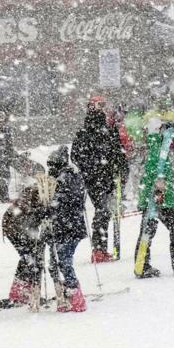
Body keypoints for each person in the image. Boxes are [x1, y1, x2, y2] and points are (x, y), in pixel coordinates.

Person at [135, 118, 174, 278]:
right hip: (156, 198)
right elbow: (156, 174)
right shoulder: (160, 149)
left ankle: (141, 265)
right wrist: (159, 191)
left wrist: (172, 195)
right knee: (173, 227)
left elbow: (162, 175)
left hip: (157, 196)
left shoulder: (158, 146)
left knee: (148, 230)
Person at [72, 97, 128, 263]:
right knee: (102, 210)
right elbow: (76, 155)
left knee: (106, 211)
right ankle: (98, 249)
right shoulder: (85, 132)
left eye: (103, 105)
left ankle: (101, 248)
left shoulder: (109, 130)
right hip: (95, 179)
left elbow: (119, 153)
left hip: (108, 178)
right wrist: (91, 168)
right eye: (98, 105)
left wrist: (122, 171)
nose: (102, 109)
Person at [0, 162, 53, 310]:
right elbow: (28, 210)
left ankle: (21, 290)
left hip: (17, 224)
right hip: (18, 225)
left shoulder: (40, 190)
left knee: (28, 256)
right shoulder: (40, 192)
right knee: (33, 257)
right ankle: (26, 291)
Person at [47, 146, 88, 312]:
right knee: (61, 260)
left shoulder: (67, 177)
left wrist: (51, 206)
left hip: (68, 227)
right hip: (67, 226)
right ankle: (69, 293)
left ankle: (75, 295)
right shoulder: (69, 176)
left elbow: (66, 200)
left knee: (64, 260)